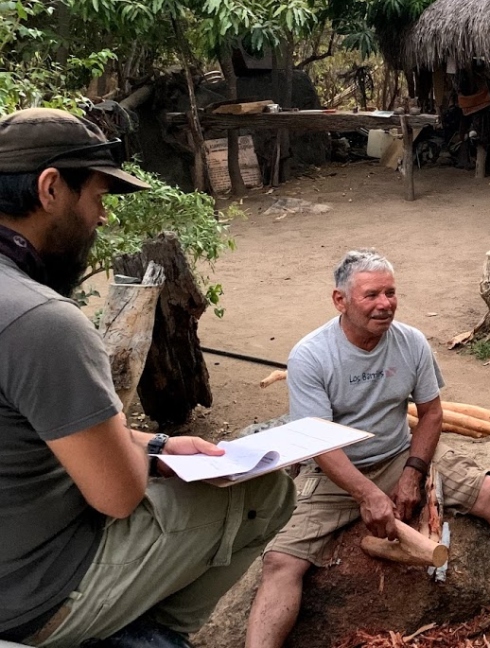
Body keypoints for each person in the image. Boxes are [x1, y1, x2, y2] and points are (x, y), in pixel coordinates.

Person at [0, 108, 296, 647]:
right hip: (31, 597)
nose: (103, 218)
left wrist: (155, 441)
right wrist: (151, 459)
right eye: (97, 197)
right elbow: (117, 493)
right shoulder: (40, 322)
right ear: (50, 190)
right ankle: (151, 635)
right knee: (267, 491)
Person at [245, 249, 490, 648]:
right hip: (335, 471)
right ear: (340, 300)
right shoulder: (311, 356)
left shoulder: (410, 343)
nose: (385, 304)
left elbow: (430, 414)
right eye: (371, 295)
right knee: (280, 562)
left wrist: (412, 472)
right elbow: (318, 444)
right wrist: (369, 494)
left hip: (396, 454)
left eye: (390, 293)